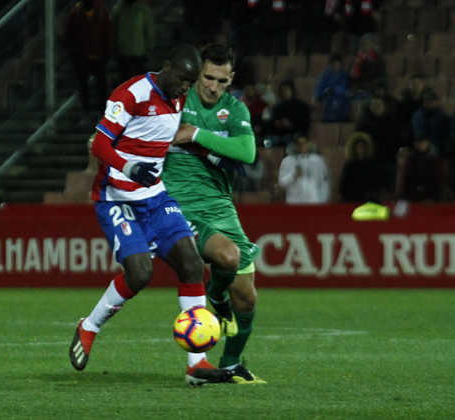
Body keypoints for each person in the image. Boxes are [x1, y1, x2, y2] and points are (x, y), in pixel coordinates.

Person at [68, 45, 234, 385]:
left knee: (191, 264)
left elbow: (162, 136)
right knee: (140, 272)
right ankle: (89, 325)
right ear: (167, 67)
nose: (185, 88)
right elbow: (99, 145)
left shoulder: (179, 97)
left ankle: (197, 364)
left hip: (155, 197)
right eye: (182, 80)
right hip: (117, 198)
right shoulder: (131, 94)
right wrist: (130, 165)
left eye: (191, 82)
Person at [160, 44, 266, 384]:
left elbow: (247, 151)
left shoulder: (234, 110)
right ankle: (214, 301)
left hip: (221, 206)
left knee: (247, 297)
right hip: (178, 204)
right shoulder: (177, 100)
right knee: (228, 256)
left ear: (230, 79)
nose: (212, 87)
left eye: (221, 80)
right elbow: (131, 123)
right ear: (196, 74)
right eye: (207, 77)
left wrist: (195, 135)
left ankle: (231, 363)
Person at [64, 0, 113, 125]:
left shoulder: (101, 12)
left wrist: (107, 52)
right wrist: (74, 54)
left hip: (98, 55)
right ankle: (86, 113)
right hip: (82, 56)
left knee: (101, 85)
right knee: (83, 86)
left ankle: (101, 113)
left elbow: (107, 33)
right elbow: (69, 37)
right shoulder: (75, 14)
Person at [356, 94, 407, 193]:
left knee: (389, 189)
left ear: (384, 106)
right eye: (374, 104)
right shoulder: (365, 122)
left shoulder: (392, 121)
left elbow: (400, 140)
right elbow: (358, 139)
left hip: (389, 161)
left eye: (379, 104)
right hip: (369, 162)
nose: (376, 107)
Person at [110, 0, 155, 84]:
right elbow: (113, 30)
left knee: (139, 79)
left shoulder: (142, 9)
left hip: (139, 52)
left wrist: (149, 47)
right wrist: (114, 47)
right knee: (124, 78)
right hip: (123, 51)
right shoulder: (118, 9)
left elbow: (148, 29)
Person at [277, 133, 330, 204]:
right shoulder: (287, 161)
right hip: (294, 202)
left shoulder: (318, 160)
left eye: (305, 143)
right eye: (299, 144)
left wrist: (321, 201)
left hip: (314, 201)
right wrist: (294, 175)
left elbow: (324, 183)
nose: (302, 146)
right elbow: (282, 183)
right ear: (295, 145)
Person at [339, 131, 384, 203]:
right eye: (358, 147)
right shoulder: (350, 165)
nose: (360, 149)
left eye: (362, 146)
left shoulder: (372, 164)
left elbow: (377, 183)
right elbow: (344, 185)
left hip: (369, 200)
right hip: (352, 199)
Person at [397, 136, 446, 202]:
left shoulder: (434, 160)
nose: (420, 145)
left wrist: (432, 196)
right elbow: (407, 179)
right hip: (413, 198)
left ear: (428, 143)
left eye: (423, 142)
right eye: (418, 142)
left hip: (432, 198)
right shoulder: (411, 159)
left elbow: (437, 180)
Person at [265, 78, 311, 147]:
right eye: (283, 90)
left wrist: (291, 125)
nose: (285, 92)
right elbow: (271, 125)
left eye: (287, 89)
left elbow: (305, 126)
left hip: (294, 136)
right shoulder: (277, 107)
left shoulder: (301, 106)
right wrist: (277, 124)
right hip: (279, 136)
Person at [313, 53, 351, 123]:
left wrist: (334, 90)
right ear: (330, 64)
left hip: (340, 97)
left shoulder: (342, 75)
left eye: (338, 65)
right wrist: (318, 96)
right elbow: (319, 88)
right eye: (334, 65)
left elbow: (344, 87)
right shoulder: (324, 75)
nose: (336, 67)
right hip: (328, 98)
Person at [410, 89, 449, 156]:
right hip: (419, 150)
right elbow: (412, 131)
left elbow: (445, 134)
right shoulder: (417, 116)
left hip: (437, 150)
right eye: (426, 101)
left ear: (436, 102)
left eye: (431, 101)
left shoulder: (442, 116)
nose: (429, 103)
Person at [239, 80, 268, 145]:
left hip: (258, 134)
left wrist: (259, 128)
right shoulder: (238, 105)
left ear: (254, 90)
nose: (249, 91)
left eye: (251, 89)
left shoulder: (261, 105)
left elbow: (265, 121)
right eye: (246, 89)